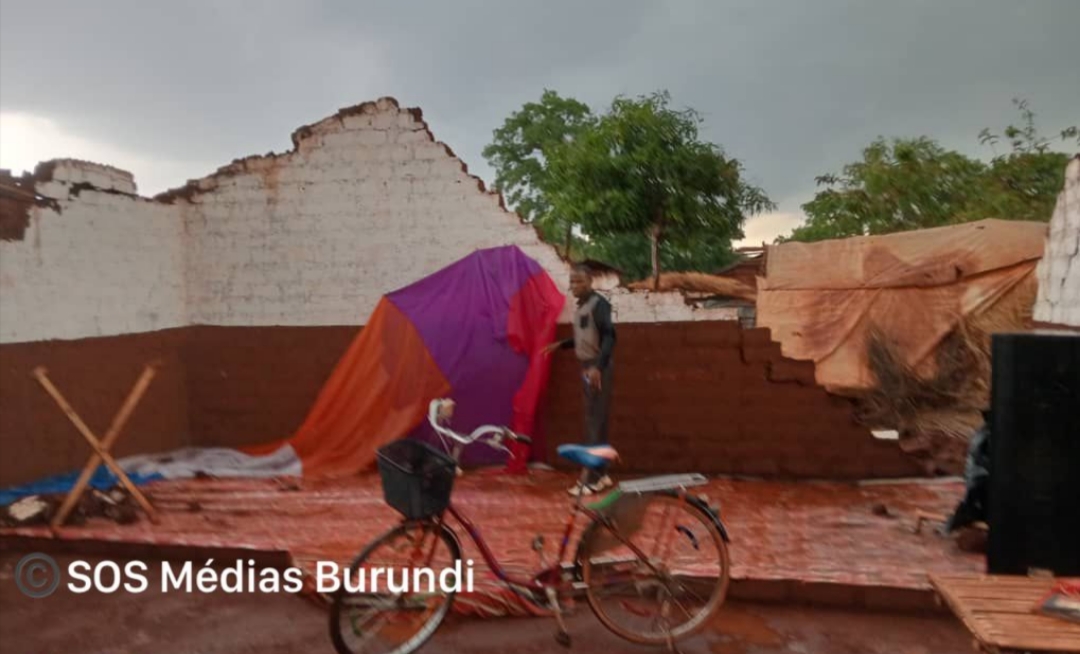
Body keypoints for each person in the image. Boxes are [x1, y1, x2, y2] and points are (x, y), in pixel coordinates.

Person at [543, 263, 617, 496]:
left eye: (579, 281)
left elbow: (609, 337)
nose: (574, 286)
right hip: (589, 366)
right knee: (598, 421)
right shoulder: (583, 307)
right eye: (572, 281)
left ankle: (591, 480)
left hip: (596, 369)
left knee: (593, 422)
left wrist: (597, 367)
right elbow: (586, 338)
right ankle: (602, 474)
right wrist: (562, 345)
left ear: (590, 282)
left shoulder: (599, 305)